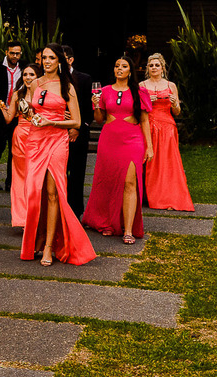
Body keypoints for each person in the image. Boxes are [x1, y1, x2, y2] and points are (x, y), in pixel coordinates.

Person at [17, 44, 97, 266]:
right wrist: (27, 112)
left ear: (60, 60)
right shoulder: (34, 83)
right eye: (44, 58)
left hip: (57, 140)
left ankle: (49, 246)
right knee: (34, 193)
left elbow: (77, 122)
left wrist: (52, 121)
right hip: (35, 140)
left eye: (51, 58)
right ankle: (38, 237)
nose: (47, 61)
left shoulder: (67, 86)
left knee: (53, 193)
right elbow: (33, 111)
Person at [82, 55, 154, 244]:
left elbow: (145, 121)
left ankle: (128, 229)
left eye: (123, 66)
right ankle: (107, 221)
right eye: (116, 66)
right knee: (108, 180)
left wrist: (150, 147)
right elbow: (99, 119)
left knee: (130, 182)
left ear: (130, 71)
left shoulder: (140, 92)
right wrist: (96, 104)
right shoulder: (104, 91)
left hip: (132, 140)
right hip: (109, 139)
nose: (119, 69)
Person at [140, 52, 194, 211]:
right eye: (151, 65)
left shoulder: (171, 86)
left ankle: (169, 195)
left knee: (167, 162)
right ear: (147, 69)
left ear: (162, 68)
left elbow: (177, 111)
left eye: (157, 65)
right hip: (148, 124)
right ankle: (147, 196)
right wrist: (146, 102)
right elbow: (137, 109)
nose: (154, 68)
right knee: (149, 161)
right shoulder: (142, 86)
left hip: (167, 127)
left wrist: (175, 104)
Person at [0, 64, 39, 226]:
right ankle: (21, 218)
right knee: (20, 178)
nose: (28, 77)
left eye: (32, 74)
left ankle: (36, 216)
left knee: (35, 178)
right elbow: (9, 118)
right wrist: (2, 107)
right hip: (20, 136)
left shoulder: (43, 95)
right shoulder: (17, 94)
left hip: (38, 137)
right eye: (25, 75)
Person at [0, 40, 26, 190]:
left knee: (13, 149)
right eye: (12, 53)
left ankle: (10, 181)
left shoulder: (24, 68)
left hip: (16, 113)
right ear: (6, 52)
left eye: (18, 53)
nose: (15, 56)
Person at [63, 45, 94, 217]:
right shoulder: (53, 80)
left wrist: (78, 128)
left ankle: (76, 210)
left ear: (70, 59)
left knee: (77, 173)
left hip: (79, 133)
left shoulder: (83, 78)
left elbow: (87, 109)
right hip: (57, 132)